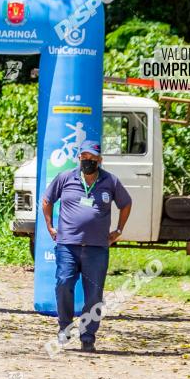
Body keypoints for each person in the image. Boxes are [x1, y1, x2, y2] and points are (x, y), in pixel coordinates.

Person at [41, 140, 132, 353]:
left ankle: (88, 336)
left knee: (94, 294)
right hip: (67, 245)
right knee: (63, 284)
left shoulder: (111, 181)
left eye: (93, 158)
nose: (88, 161)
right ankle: (64, 327)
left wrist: (118, 230)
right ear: (79, 158)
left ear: (100, 160)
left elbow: (126, 203)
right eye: (84, 157)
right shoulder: (65, 178)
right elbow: (46, 200)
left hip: (97, 248)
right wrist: (50, 226)